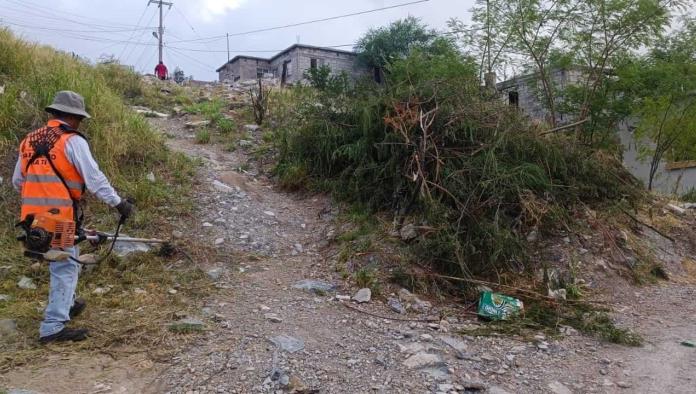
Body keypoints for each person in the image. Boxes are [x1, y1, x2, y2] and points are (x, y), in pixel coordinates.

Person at [12, 91, 134, 344]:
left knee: (65, 260)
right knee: (65, 266)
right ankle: (53, 326)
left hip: (32, 220)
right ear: (71, 116)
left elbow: (17, 182)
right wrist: (118, 203)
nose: (80, 123)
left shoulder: (28, 140)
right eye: (79, 118)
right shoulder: (72, 141)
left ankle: (66, 304)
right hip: (59, 217)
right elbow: (95, 179)